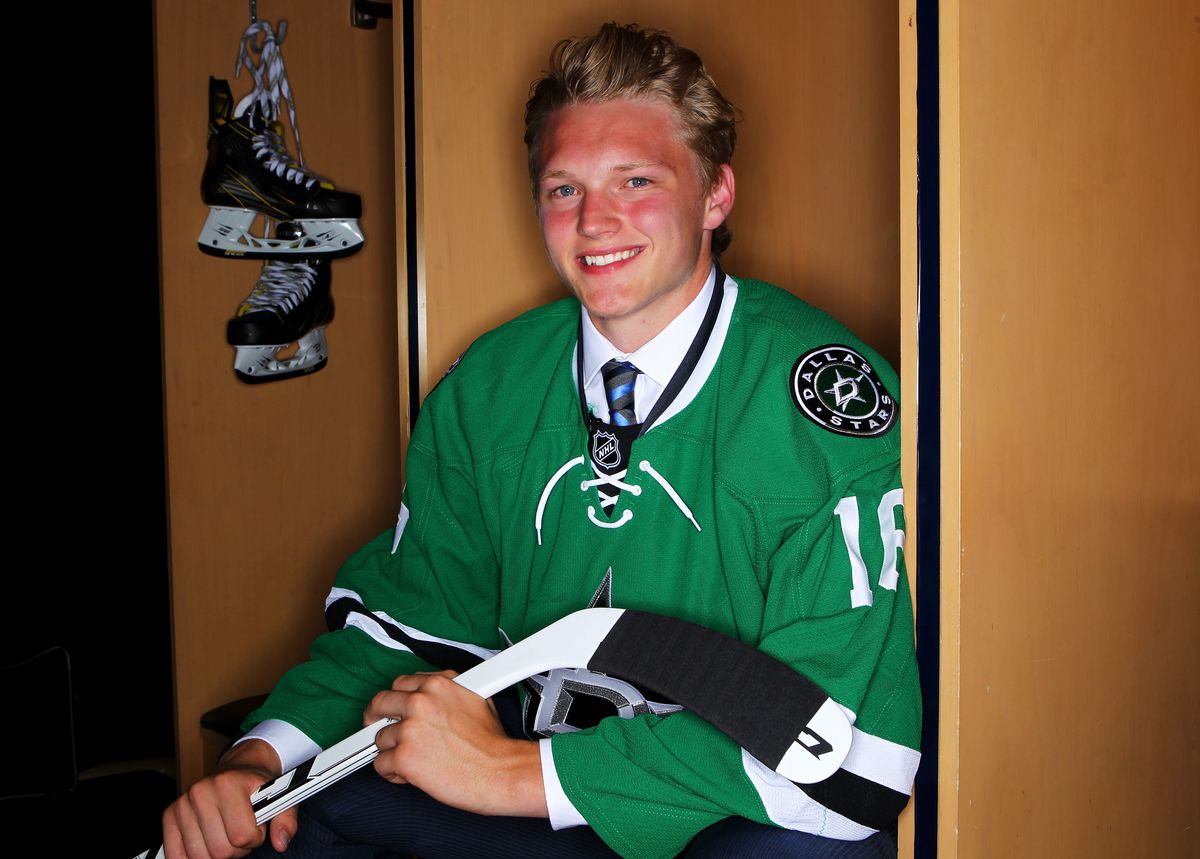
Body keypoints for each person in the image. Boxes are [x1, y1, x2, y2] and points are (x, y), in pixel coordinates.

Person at [162, 22, 920, 859]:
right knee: (297, 827)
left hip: (722, 816)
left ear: (715, 196)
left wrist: (509, 772)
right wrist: (258, 760)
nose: (595, 221)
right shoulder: (489, 384)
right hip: (540, 803)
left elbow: (855, 764)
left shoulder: (827, 399)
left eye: (636, 180)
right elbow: (411, 625)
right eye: (564, 190)